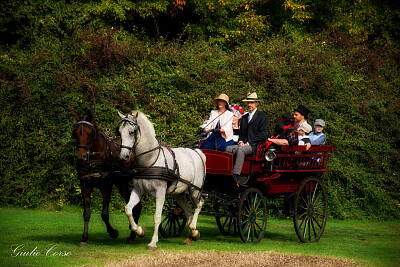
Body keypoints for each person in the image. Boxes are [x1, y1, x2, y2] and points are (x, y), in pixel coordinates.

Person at [226, 92, 268, 184]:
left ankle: (236, 175)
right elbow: (241, 133)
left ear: (256, 103)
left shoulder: (262, 117)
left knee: (241, 150)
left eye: (252, 103)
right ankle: (226, 173)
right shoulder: (244, 117)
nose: (249, 105)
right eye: (248, 103)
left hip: (255, 146)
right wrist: (241, 141)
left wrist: (248, 143)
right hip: (244, 144)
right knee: (228, 148)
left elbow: (263, 134)